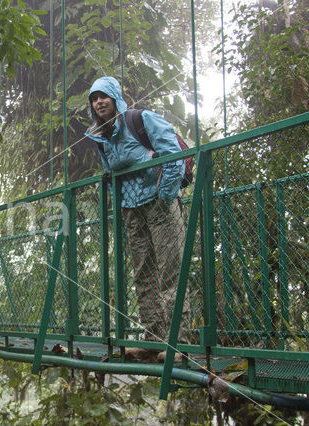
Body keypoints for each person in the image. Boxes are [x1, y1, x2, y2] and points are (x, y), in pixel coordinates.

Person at [84, 76, 188, 361]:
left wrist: (165, 197)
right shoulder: (101, 138)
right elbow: (111, 176)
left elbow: (174, 156)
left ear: (115, 97)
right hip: (132, 210)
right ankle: (153, 340)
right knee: (143, 274)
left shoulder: (140, 120)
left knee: (170, 272)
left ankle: (178, 342)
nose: (99, 102)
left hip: (159, 204)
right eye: (94, 99)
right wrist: (121, 205)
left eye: (103, 96)